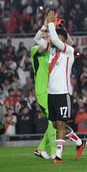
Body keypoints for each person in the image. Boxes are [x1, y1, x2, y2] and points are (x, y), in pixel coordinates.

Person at [43, 11, 87, 164]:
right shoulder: (51, 53)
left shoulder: (68, 52)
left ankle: (58, 157)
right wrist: (45, 25)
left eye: (61, 39)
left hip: (63, 93)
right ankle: (80, 143)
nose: (57, 41)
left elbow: (57, 38)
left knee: (61, 124)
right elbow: (38, 39)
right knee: (56, 124)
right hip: (51, 93)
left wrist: (51, 24)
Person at [31, 20, 56, 160]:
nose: (48, 40)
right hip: (42, 91)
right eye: (45, 37)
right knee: (53, 120)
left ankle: (40, 149)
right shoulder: (35, 50)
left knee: (54, 120)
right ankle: (53, 152)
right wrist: (46, 26)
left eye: (49, 37)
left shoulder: (52, 54)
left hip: (52, 91)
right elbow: (43, 47)